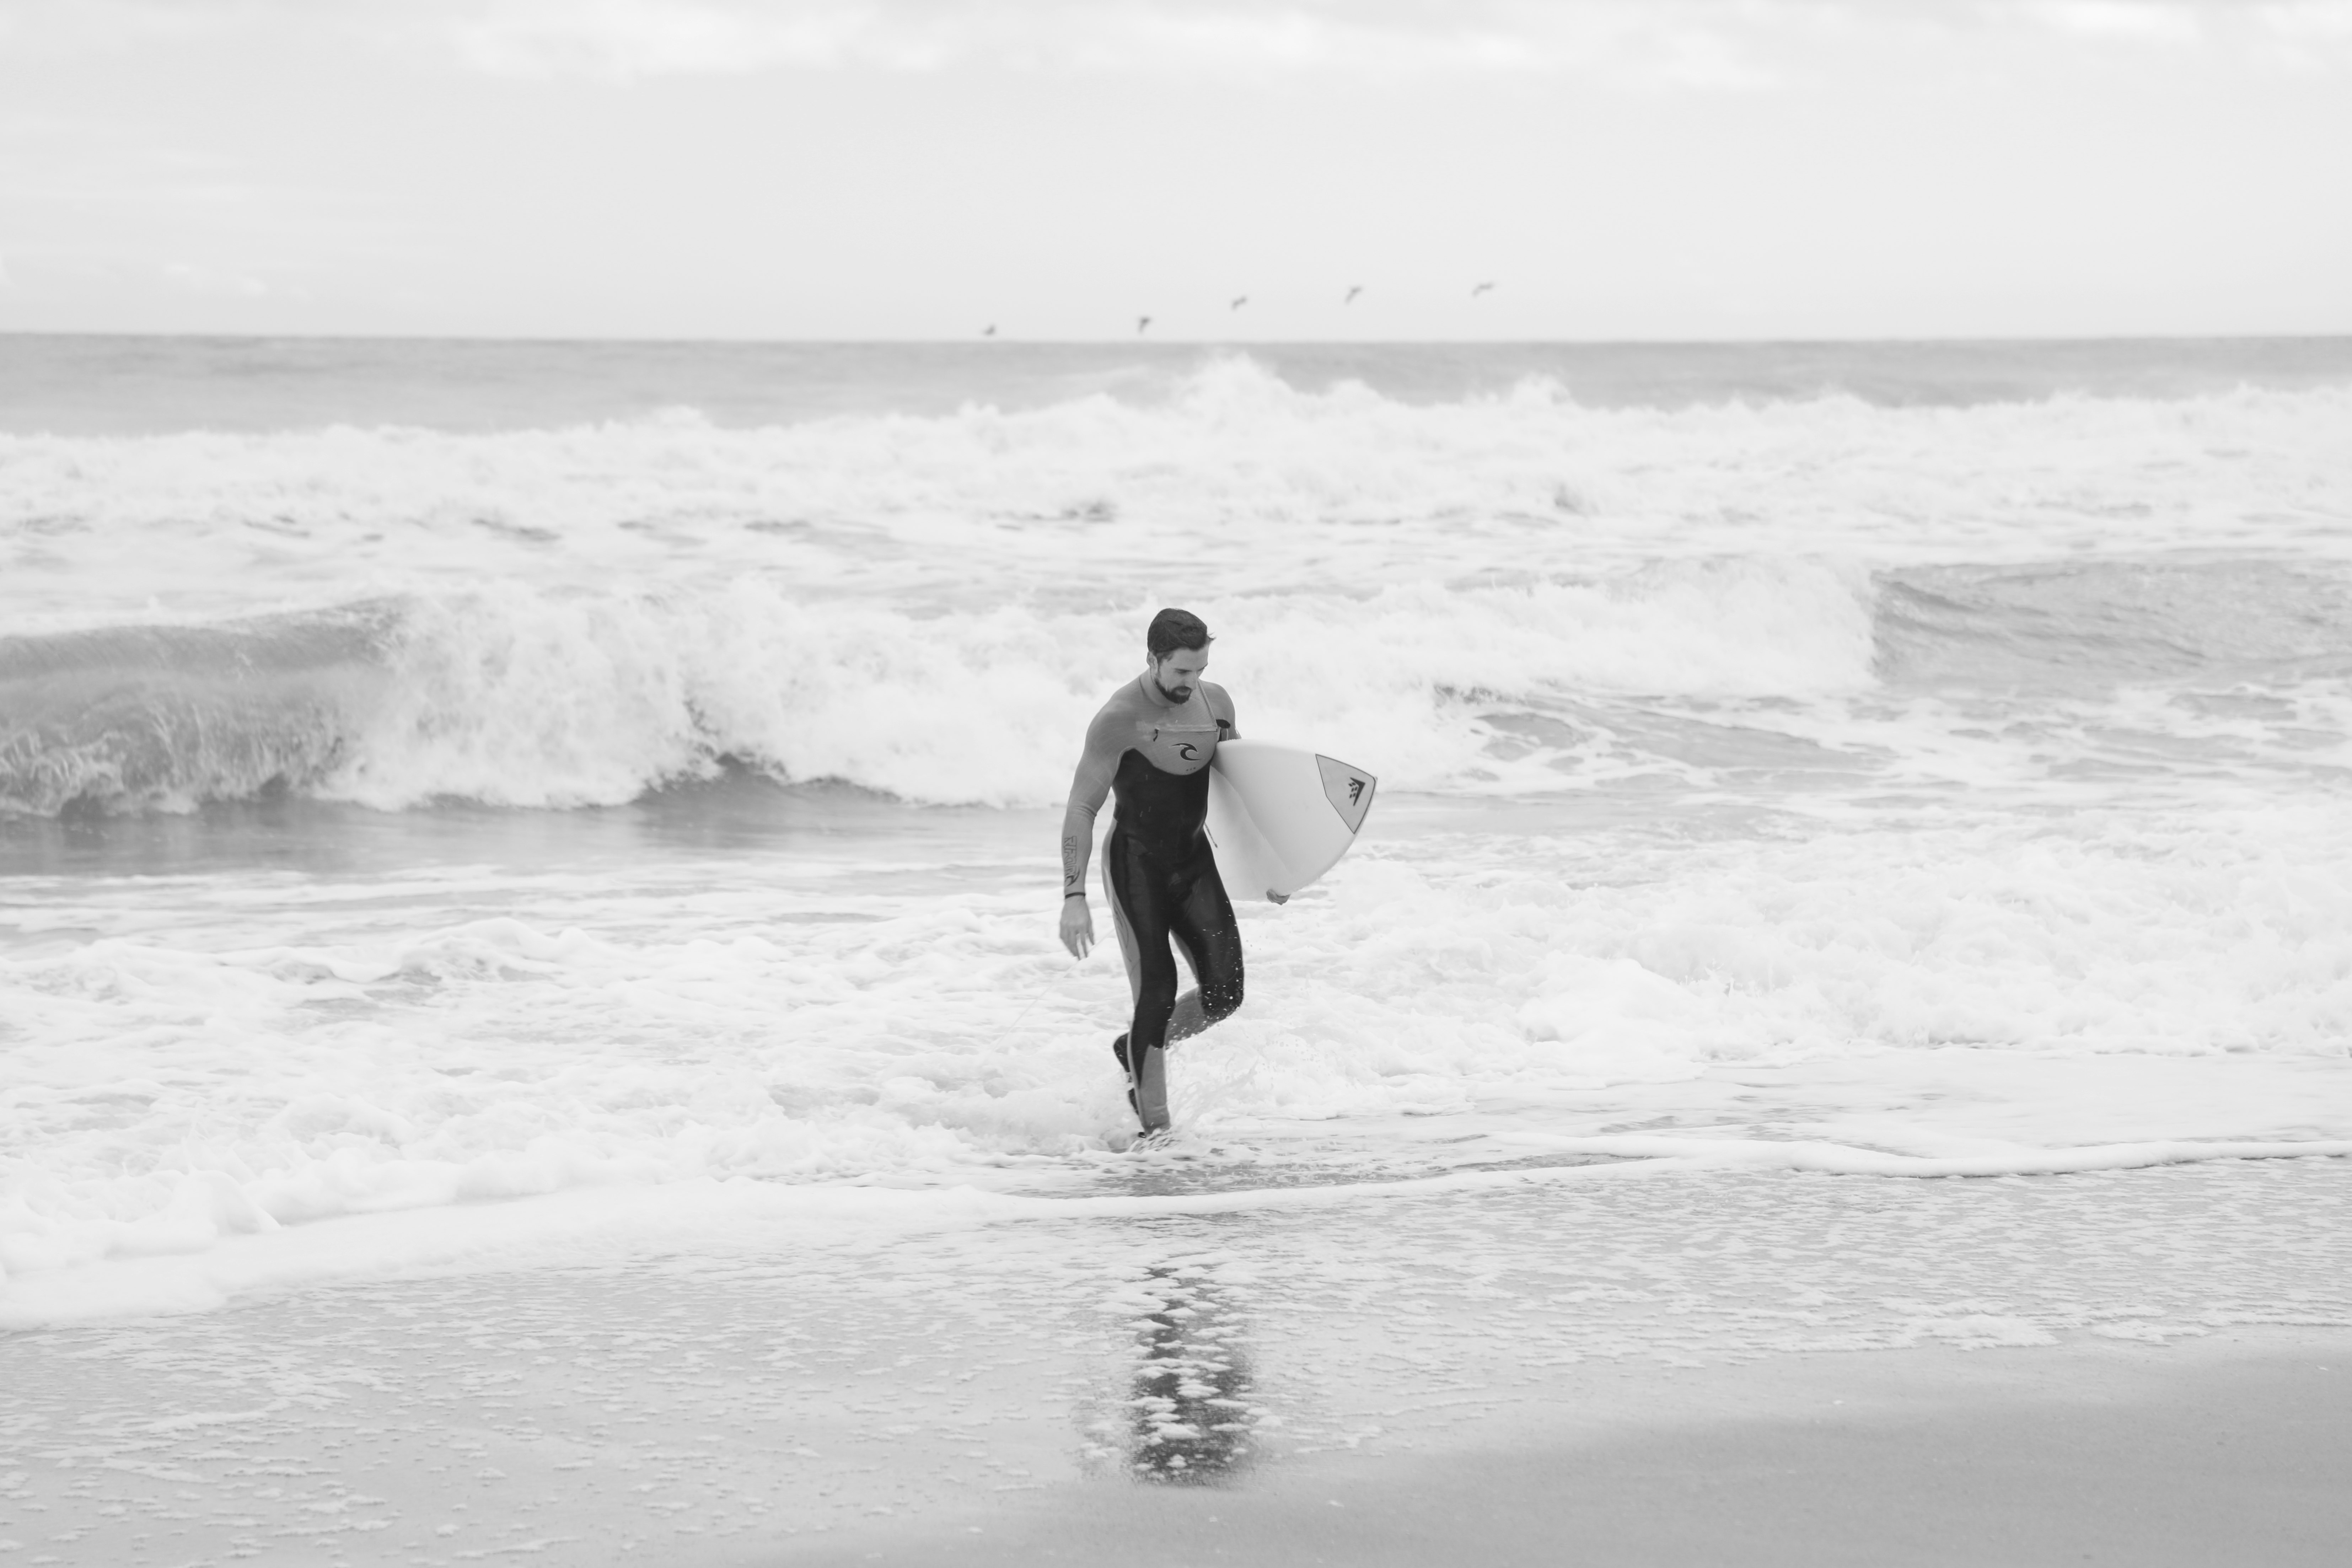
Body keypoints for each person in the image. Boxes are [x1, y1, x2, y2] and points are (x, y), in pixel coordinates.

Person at [1059, 607, 1244, 1135]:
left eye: (1201, 670)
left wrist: (1269, 865)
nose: (1193, 682)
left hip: (1192, 863)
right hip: (1136, 866)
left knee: (1224, 993)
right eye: (1182, 672)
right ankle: (1157, 1137)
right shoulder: (1119, 717)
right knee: (1156, 994)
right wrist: (1074, 897)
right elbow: (1080, 809)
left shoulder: (1218, 704)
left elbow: (1240, 787)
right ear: (1153, 659)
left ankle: (1135, 1049)